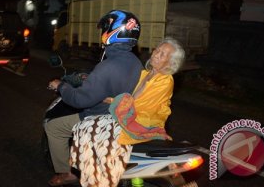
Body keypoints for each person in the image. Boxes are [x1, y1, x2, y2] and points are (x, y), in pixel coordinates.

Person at [70, 37, 186, 187]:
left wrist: (113, 101)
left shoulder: (165, 80)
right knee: (85, 125)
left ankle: (103, 180)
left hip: (143, 122)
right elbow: (128, 94)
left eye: (163, 54)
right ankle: (92, 174)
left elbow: (141, 105)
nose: (156, 54)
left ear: (170, 63)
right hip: (129, 115)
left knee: (99, 135)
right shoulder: (145, 73)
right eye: (157, 49)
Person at [45, 10, 144, 186]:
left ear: (115, 31)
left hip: (102, 116)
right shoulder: (135, 62)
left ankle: (67, 173)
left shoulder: (108, 65)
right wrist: (90, 78)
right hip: (123, 116)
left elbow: (80, 100)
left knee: (54, 127)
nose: (103, 31)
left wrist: (61, 85)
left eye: (106, 27)